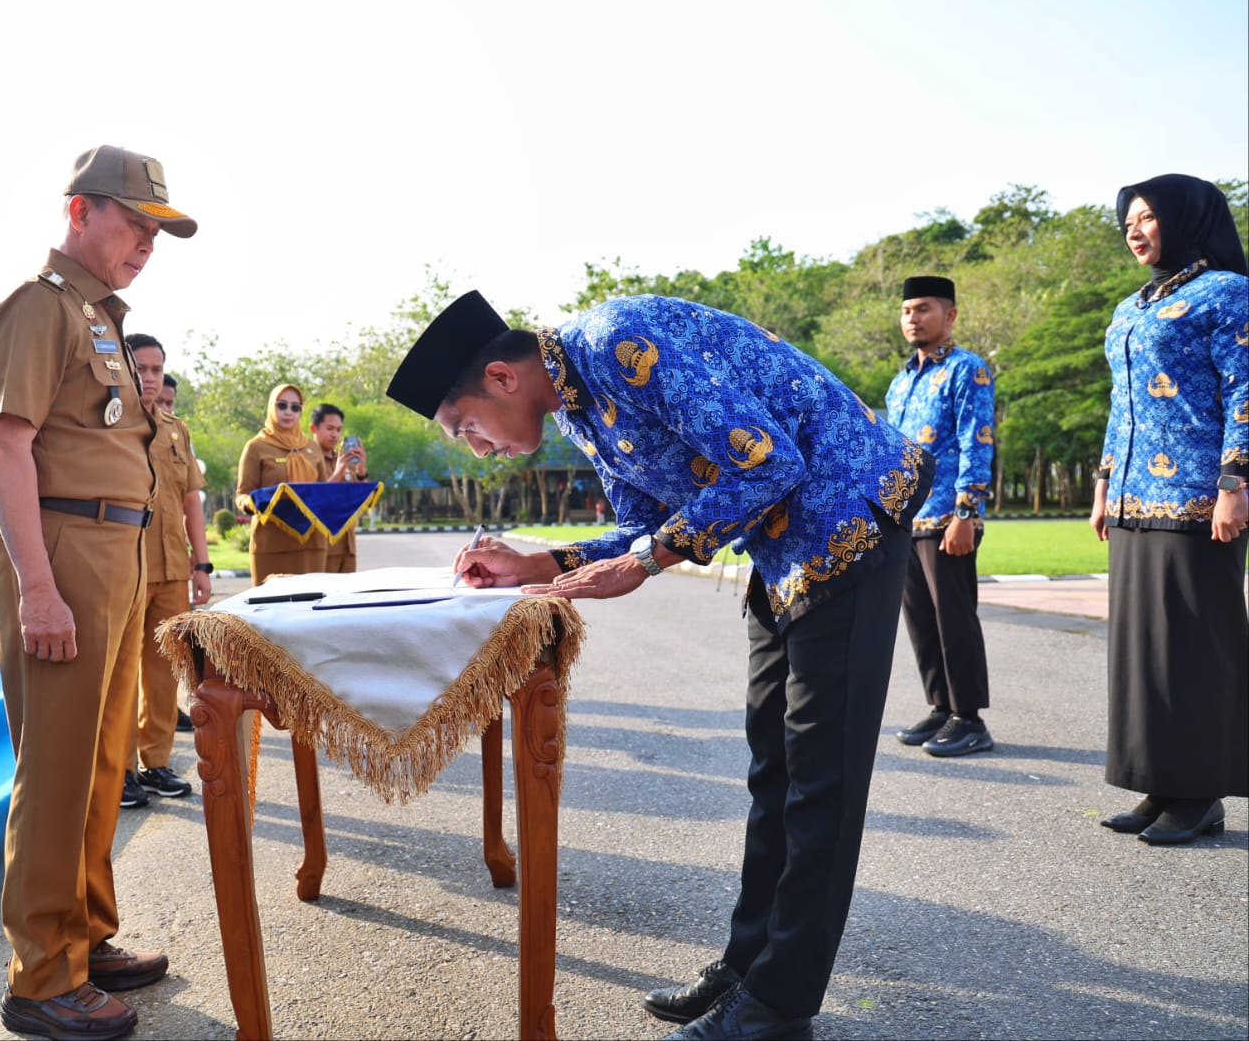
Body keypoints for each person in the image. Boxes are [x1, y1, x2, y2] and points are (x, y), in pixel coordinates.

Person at [388, 291, 931, 1041]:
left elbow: (769, 461)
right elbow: (645, 526)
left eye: (465, 427)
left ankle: (778, 1008)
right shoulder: (577, 405)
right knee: (774, 767)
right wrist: (541, 563)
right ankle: (749, 966)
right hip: (782, 546)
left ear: (501, 378)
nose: (476, 449)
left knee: (820, 780)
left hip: (848, 515)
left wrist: (646, 563)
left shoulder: (617, 343)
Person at [0, 144, 196, 1041]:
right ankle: (41, 980)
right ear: (80, 211)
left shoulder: (100, 318)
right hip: (60, 552)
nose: (147, 243)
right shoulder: (39, 308)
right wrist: (38, 587)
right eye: (134, 223)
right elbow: (6, 445)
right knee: (58, 773)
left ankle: (84, 939)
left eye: (157, 232)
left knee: (104, 766)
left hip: (116, 551)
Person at [1091, 173, 1248, 846]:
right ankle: (1160, 784)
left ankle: (1200, 794)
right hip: (1133, 497)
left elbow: (1245, 389)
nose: (1135, 230)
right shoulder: (1130, 307)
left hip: (1197, 500)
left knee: (1194, 647)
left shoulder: (1228, 293)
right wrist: (1103, 484)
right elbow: (1120, 404)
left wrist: (1235, 481)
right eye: (1128, 220)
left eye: (1148, 217)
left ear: (1186, 220)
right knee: (1144, 651)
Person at [884, 276, 997, 757]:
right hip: (906, 520)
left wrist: (966, 512)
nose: (913, 317)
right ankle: (940, 706)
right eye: (907, 310)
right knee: (920, 620)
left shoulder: (967, 370)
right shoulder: (901, 381)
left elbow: (977, 441)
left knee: (954, 618)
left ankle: (968, 718)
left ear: (949, 315)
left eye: (924, 308)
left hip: (949, 517)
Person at [118, 333, 212, 808]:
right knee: (120, 675)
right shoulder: (108, 423)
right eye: (141, 368)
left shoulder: (176, 429)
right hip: (123, 566)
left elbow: (190, 500)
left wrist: (202, 563)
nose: (150, 378)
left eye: (156, 369)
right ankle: (120, 771)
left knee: (162, 673)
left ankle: (155, 762)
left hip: (172, 566)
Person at [235, 383, 328, 585]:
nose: (288, 412)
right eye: (282, 405)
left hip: (312, 544)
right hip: (271, 544)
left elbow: (324, 492)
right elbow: (242, 494)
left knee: (312, 601)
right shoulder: (256, 446)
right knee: (270, 602)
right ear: (271, 407)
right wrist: (256, 502)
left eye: (295, 407)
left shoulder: (312, 447)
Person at [310, 401, 368, 573]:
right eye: (330, 429)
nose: (335, 434)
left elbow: (363, 502)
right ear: (313, 428)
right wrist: (337, 474)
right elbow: (311, 500)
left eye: (338, 429)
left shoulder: (343, 460)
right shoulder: (305, 459)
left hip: (347, 547)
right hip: (322, 548)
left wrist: (361, 469)